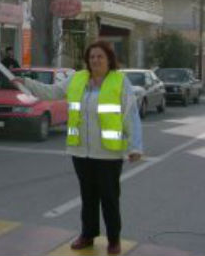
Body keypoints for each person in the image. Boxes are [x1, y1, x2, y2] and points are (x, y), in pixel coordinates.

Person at [13, 40, 142, 255]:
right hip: (81, 151)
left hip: (108, 154)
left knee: (109, 198)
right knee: (88, 196)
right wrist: (25, 82)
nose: (95, 60)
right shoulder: (78, 78)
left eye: (100, 56)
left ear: (109, 59)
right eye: (92, 57)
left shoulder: (120, 82)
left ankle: (113, 239)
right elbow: (52, 92)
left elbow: (131, 116)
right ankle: (88, 234)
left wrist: (135, 146)